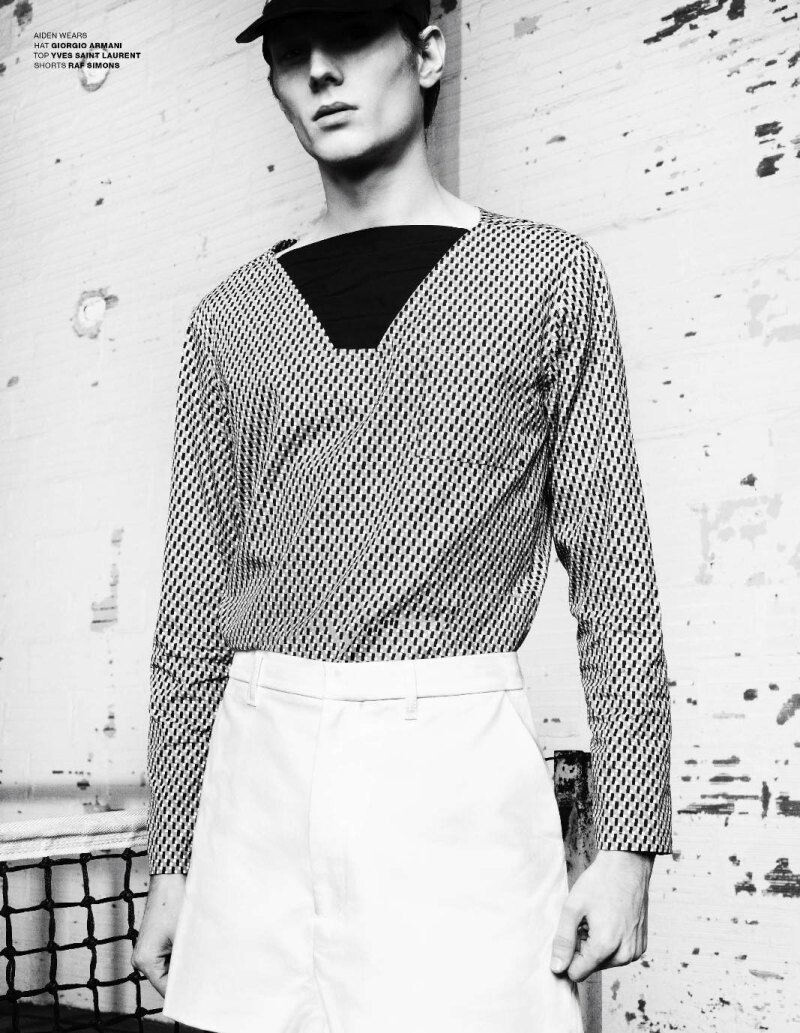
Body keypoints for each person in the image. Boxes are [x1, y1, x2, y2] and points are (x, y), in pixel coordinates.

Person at [131, 2, 673, 1031]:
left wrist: (628, 843)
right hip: (257, 778)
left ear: (426, 52)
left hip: (453, 771)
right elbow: (192, 613)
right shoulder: (227, 319)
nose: (320, 72)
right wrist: (174, 862)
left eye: (348, 35)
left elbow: (615, 575)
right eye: (291, 52)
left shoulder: (546, 278)